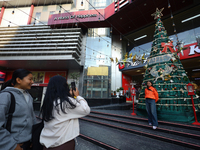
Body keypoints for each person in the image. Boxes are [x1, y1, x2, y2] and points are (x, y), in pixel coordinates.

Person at [40, 75, 90, 150]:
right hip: (63, 143)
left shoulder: (48, 102)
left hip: (47, 144)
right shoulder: (66, 102)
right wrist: (77, 96)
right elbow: (86, 110)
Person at [0, 69, 37, 150]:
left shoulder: (28, 96)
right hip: (11, 145)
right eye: (30, 79)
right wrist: (12, 145)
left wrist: (32, 139)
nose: (32, 82)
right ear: (18, 80)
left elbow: (32, 118)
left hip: (27, 143)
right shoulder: (5, 96)